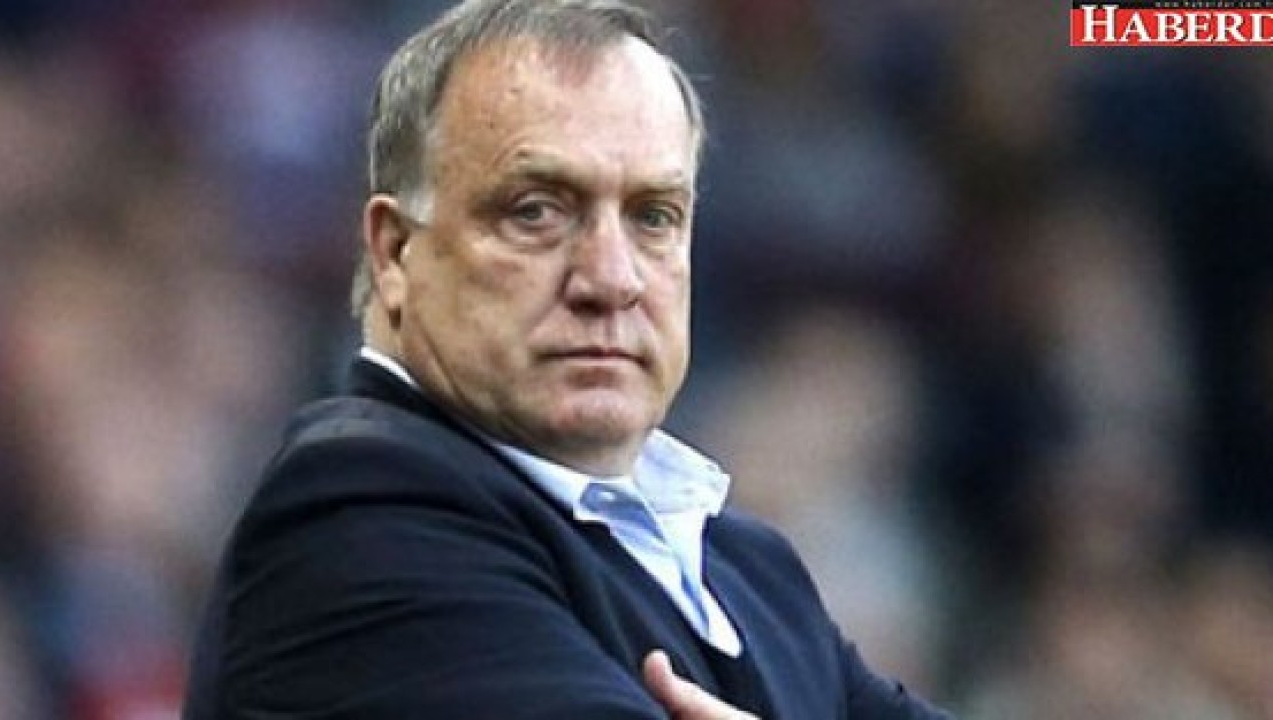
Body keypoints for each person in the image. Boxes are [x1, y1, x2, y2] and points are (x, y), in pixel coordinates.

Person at [183, 1, 954, 717]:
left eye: (654, 216)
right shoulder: (356, 520)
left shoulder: (750, 570)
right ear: (395, 252)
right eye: (536, 211)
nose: (611, 279)